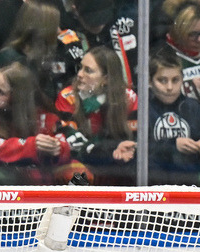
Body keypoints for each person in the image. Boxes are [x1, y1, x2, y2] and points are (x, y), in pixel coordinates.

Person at [0, 62, 73, 184]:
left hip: (32, 182)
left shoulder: (41, 113)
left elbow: (65, 142)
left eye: (0, 92)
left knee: (79, 176)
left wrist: (57, 149)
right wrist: (31, 146)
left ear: (17, 98)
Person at [55, 45, 138, 184]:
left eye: (88, 71)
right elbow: (74, 147)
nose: (80, 74)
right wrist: (110, 152)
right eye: (81, 67)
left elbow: (134, 141)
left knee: (136, 168)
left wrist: (121, 152)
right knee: (78, 179)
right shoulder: (67, 97)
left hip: (114, 159)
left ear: (106, 79)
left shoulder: (128, 98)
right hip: (82, 161)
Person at [146, 48, 200, 187]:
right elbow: (138, 149)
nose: (169, 87)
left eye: (175, 80)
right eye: (162, 80)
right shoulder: (143, 108)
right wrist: (173, 145)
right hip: (152, 186)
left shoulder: (192, 107)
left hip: (189, 186)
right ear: (150, 82)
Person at [0, 0, 63, 100]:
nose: (58, 31)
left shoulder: (40, 59)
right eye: (54, 26)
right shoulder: (8, 58)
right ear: (43, 30)